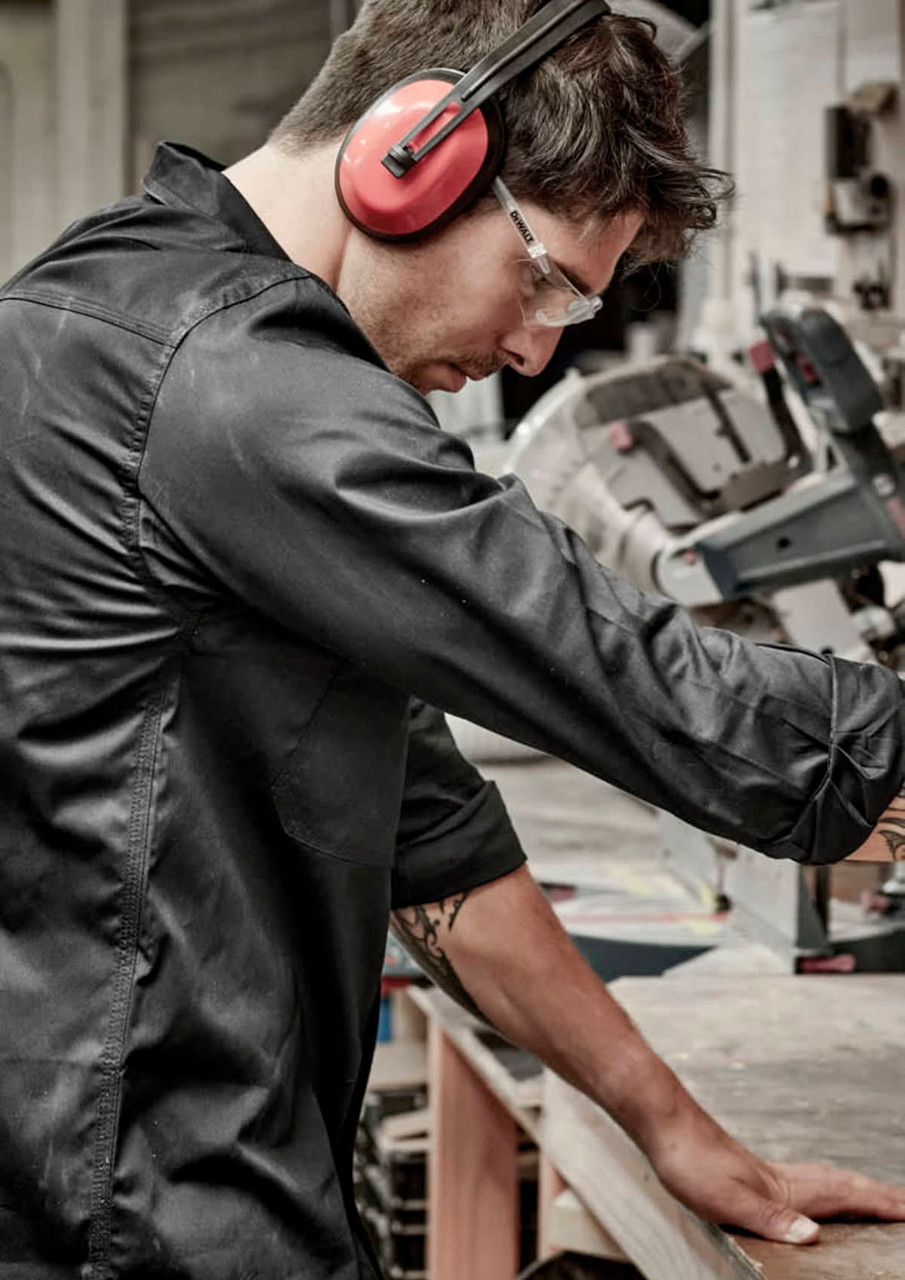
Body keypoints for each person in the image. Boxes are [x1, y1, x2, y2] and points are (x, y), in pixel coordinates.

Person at [1, 2, 905, 1277]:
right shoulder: (228, 374)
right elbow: (597, 652)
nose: (533, 347)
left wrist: (677, 1129)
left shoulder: (112, 293)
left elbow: (434, 841)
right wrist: (871, 748)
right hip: (133, 1204)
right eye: (541, 277)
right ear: (409, 156)